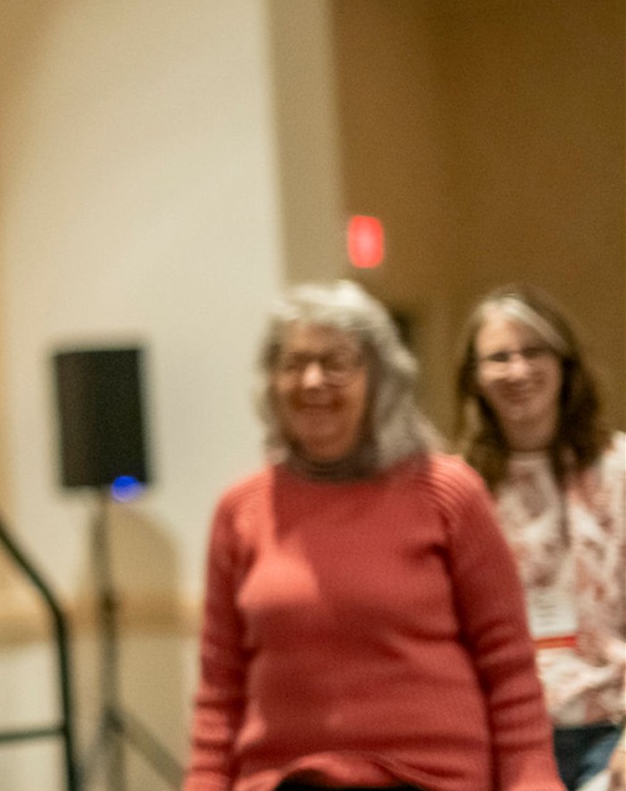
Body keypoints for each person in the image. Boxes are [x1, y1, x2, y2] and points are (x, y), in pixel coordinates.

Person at [186, 281, 562, 791]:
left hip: (428, 779)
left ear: (380, 379)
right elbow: (219, 688)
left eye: (336, 363)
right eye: (294, 364)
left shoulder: (447, 493)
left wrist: (533, 781)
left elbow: (510, 666)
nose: (313, 381)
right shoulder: (241, 510)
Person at [455, 286, 626, 789]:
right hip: (501, 737)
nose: (518, 371)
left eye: (533, 352)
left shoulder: (618, 470)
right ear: (475, 377)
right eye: (499, 357)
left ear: (565, 363)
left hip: (609, 728)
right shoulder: (458, 487)